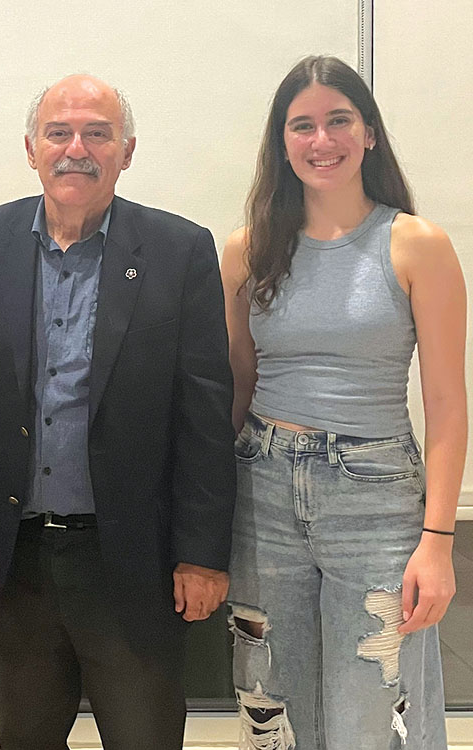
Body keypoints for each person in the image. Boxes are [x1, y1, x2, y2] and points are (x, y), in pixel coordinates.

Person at [0, 74, 236, 749]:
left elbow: (205, 417)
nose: (77, 149)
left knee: (145, 738)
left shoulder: (180, 251)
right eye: (59, 133)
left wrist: (203, 554)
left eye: (97, 133)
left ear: (126, 151)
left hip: (133, 561)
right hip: (17, 560)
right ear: (31, 147)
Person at [222, 55, 467, 750]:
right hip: (262, 489)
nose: (320, 140)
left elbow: (448, 403)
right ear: (282, 141)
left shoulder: (415, 244)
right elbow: (237, 388)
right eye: (302, 125)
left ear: (368, 135)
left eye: (338, 121)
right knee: (272, 699)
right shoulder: (246, 252)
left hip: (377, 495)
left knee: (376, 709)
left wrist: (439, 543)